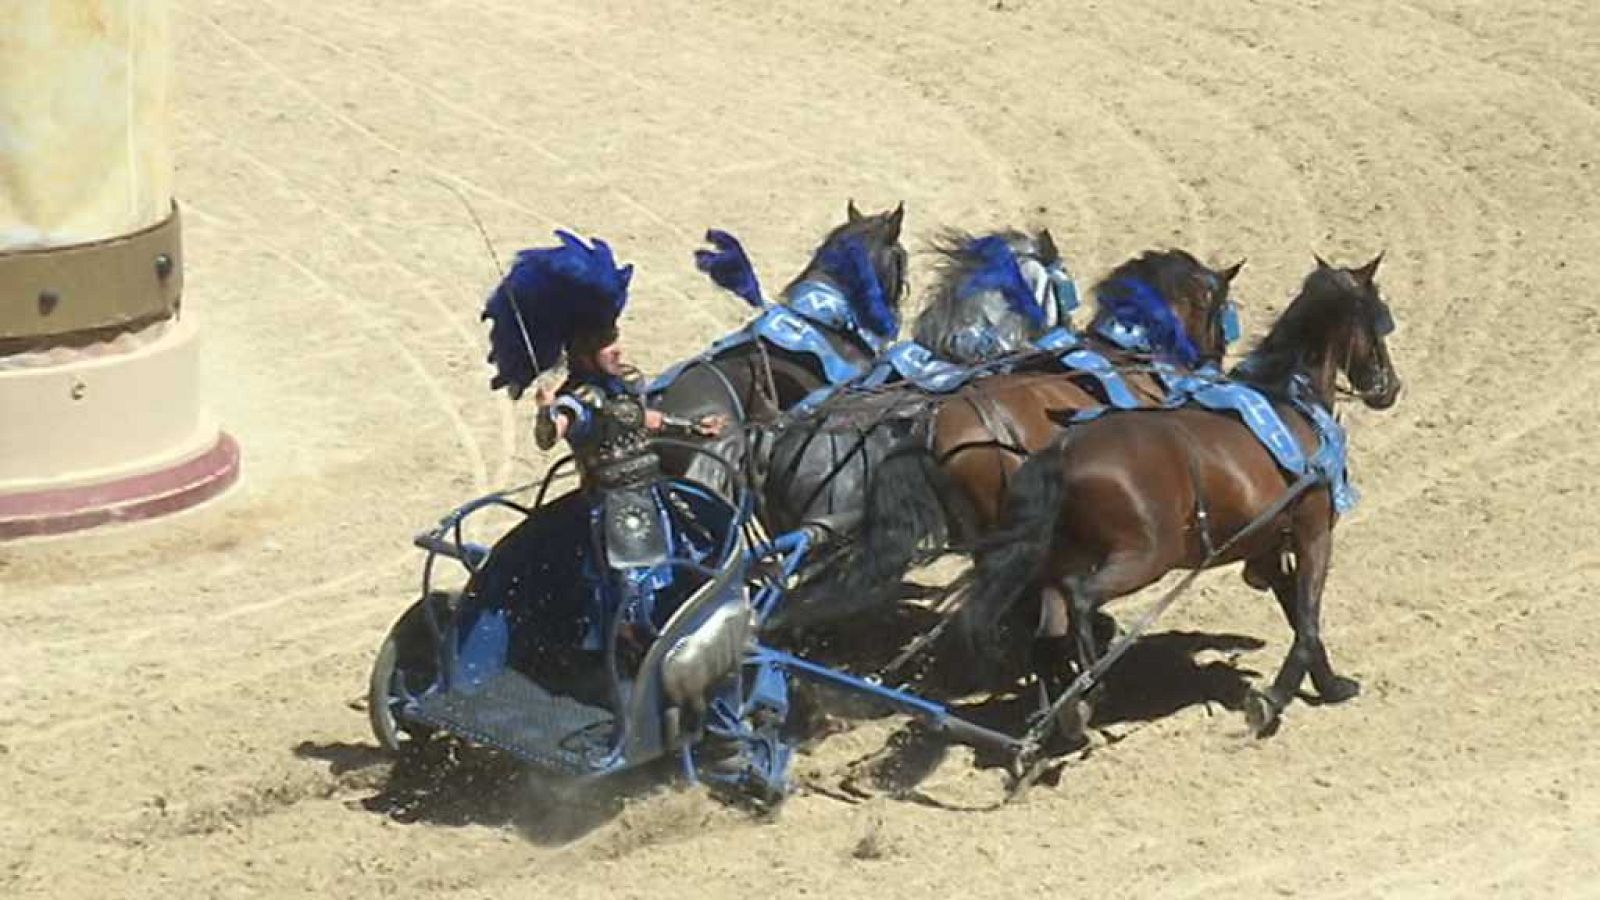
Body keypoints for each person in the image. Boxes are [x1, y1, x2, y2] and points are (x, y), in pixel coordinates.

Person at [482, 230, 727, 663]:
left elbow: (647, 422)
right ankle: (631, 646)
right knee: (633, 584)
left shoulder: (622, 389)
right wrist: (546, 411)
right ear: (584, 354)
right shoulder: (584, 401)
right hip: (617, 510)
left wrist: (692, 429)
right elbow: (549, 436)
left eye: (616, 340)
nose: (618, 350)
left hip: (652, 493)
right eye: (607, 345)